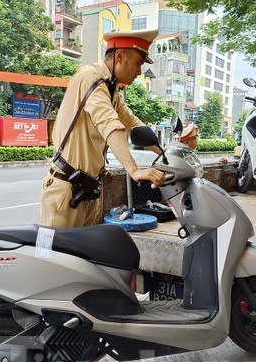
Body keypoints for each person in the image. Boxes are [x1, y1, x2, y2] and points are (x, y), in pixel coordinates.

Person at [40, 29, 166, 228]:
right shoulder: (91, 77)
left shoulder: (109, 87)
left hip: (87, 190)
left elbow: (131, 123)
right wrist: (134, 170)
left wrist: (165, 154)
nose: (140, 72)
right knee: (61, 257)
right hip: (67, 190)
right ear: (120, 56)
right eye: (139, 63)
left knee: (85, 257)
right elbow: (110, 124)